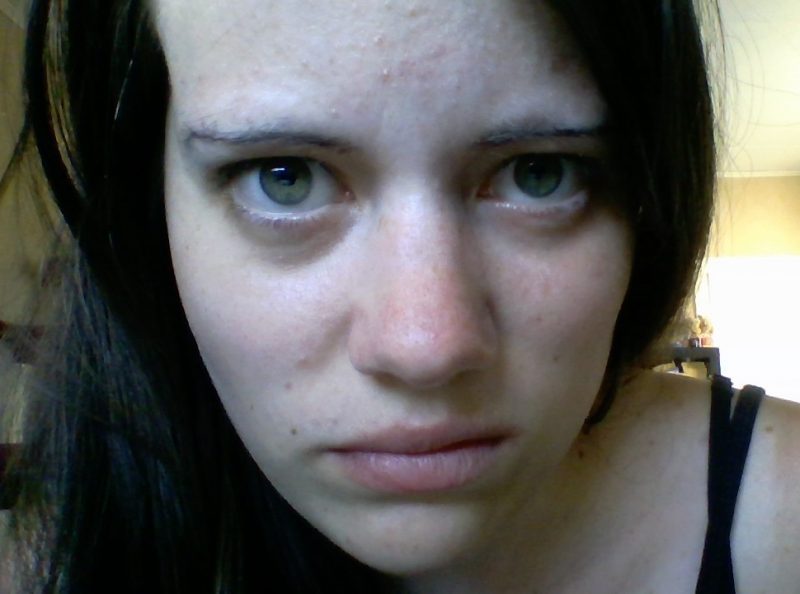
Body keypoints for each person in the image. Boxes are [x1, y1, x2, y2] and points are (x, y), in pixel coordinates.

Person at [1, 0, 799, 592]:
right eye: (285, 177)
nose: (426, 348)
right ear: (150, 213)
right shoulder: (62, 554)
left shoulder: (781, 515)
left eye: (539, 174)